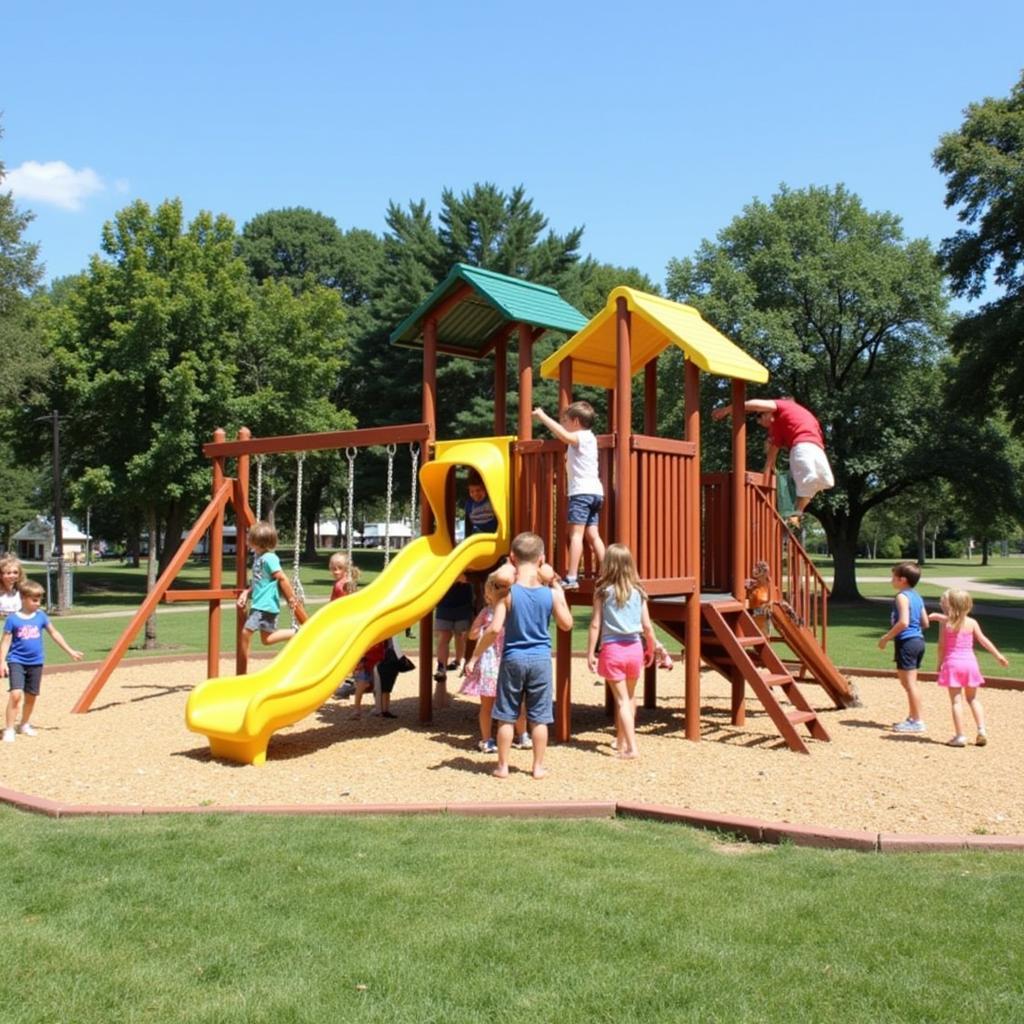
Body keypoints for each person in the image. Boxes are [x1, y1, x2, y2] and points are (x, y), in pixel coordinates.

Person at [465, 531, 573, 779]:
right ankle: (537, 766)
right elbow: (566, 624)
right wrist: (557, 585)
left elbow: (493, 630)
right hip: (540, 660)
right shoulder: (552, 594)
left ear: (512, 559)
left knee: (505, 716)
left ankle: (502, 767)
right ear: (542, 559)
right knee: (539, 718)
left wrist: (474, 657)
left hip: (513, 658)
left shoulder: (507, 595)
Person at [711, 397, 834, 527]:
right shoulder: (780, 425)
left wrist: (726, 410)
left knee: (823, 480)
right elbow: (773, 450)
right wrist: (767, 468)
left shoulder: (784, 406)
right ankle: (796, 514)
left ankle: (794, 501)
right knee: (816, 482)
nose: (760, 423)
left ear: (766, 412)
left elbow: (750, 404)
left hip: (804, 447)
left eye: (759, 417)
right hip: (814, 447)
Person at [586, 544, 656, 759]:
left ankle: (632, 747)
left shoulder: (603, 593)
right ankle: (621, 739)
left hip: (613, 649)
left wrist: (590, 652)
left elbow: (596, 624)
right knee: (631, 696)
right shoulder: (639, 593)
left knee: (622, 700)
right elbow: (647, 626)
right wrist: (651, 648)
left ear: (608, 565)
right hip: (635, 648)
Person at [533, 401, 606, 589]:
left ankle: (572, 577)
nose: (563, 424)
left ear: (575, 421)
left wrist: (542, 416)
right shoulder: (590, 438)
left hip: (581, 493)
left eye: (565, 420)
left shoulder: (581, 436)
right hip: (595, 493)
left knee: (576, 535)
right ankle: (609, 572)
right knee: (593, 535)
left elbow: (564, 436)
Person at [2, 580, 83, 741]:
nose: (38, 603)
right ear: (23, 598)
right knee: (16, 694)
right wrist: (1, 661)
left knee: (31, 696)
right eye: (34, 600)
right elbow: (5, 641)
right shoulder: (12, 619)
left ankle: (24, 724)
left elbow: (54, 633)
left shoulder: (41, 617)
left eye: (40, 600)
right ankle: (9, 729)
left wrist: (70, 650)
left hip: (36, 662)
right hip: (16, 660)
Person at [930, 589, 1007, 747]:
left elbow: (941, 646)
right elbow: (983, 640)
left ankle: (960, 736)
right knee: (972, 699)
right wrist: (998, 655)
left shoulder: (946, 623)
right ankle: (981, 730)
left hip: (953, 664)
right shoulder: (972, 623)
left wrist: (939, 663)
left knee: (956, 702)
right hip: (970, 664)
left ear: (950, 604)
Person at [236, 521, 305, 665]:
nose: (247, 540)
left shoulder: (269, 558)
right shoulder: (258, 559)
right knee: (267, 639)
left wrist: (292, 597)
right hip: (260, 604)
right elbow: (258, 583)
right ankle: (296, 633)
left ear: (257, 542)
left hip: (265, 605)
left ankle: (242, 668)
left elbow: (281, 577)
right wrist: (246, 593)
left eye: (250, 538)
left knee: (245, 632)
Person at [878, 561, 929, 734]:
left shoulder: (902, 596)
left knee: (909, 684)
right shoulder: (917, 596)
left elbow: (903, 622)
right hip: (918, 641)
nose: (891, 580)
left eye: (894, 576)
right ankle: (913, 716)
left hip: (907, 642)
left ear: (903, 580)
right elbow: (925, 623)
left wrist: (886, 638)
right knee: (909, 683)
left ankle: (917, 721)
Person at [432, 575, 474, 707]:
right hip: (447, 605)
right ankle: (443, 667)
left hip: (459, 605)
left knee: (459, 635)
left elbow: (470, 578)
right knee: (447, 636)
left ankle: (458, 661)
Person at [464, 471, 498, 536]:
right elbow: (469, 522)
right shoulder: (469, 504)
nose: (475, 494)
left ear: (485, 489)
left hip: (492, 532)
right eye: (472, 491)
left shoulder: (491, 501)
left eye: (478, 490)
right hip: (478, 532)